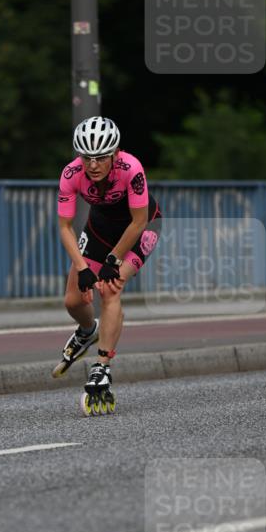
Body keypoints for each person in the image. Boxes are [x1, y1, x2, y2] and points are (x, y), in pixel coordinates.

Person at [54, 115, 162, 408]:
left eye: (101, 157)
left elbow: (138, 221)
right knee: (73, 300)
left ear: (115, 153)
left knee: (110, 288)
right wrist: (82, 268)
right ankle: (87, 331)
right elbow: (64, 226)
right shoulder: (70, 173)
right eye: (87, 157)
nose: (93, 165)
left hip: (141, 227)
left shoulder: (132, 169)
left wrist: (113, 261)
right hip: (100, 229)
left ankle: (102, 367)